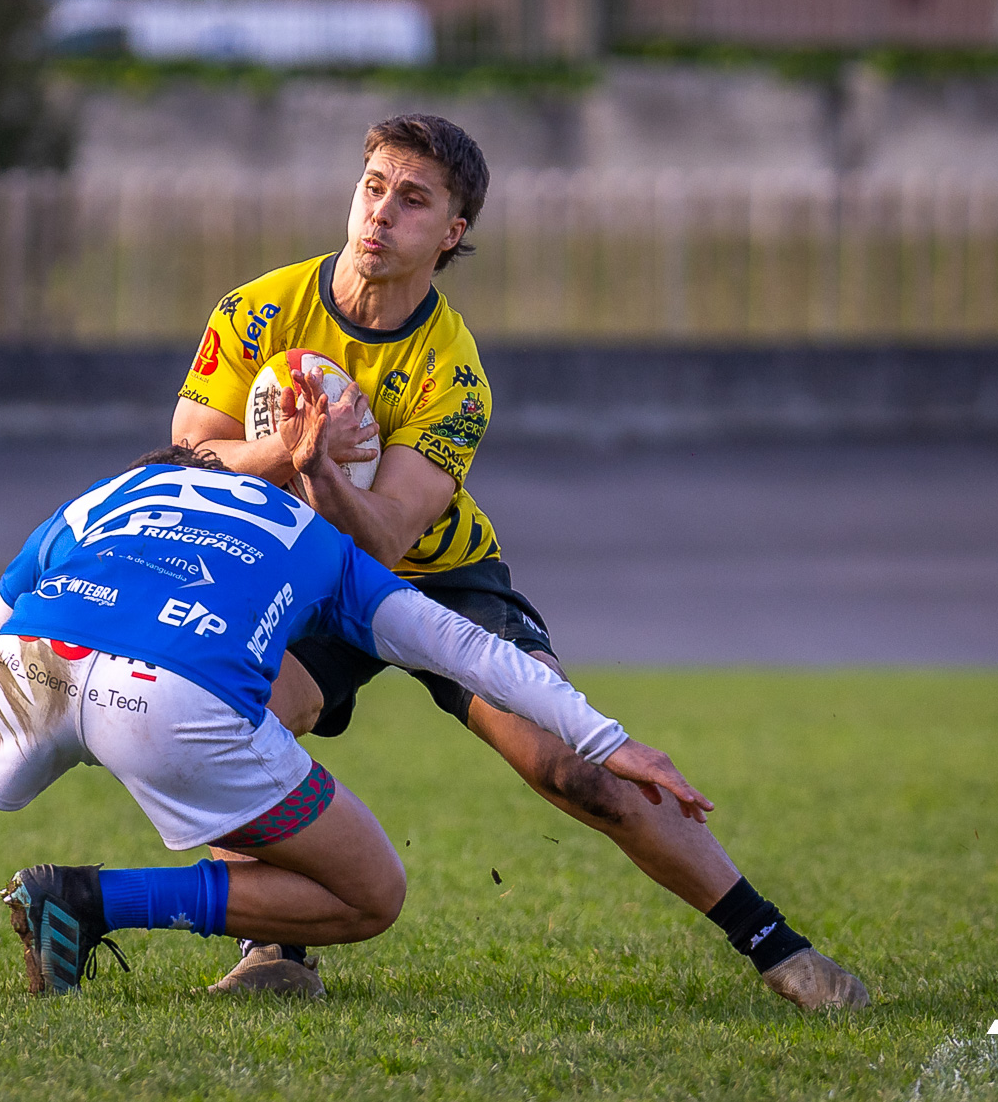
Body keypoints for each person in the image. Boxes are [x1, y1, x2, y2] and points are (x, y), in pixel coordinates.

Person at [0, 375, 712, 999]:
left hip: (32, 664)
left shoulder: (116, 491)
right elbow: (468, 650)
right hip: (170, 699)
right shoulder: (319, 536)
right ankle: (97, 899)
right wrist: (610, 737)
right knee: (369, 896)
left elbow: (5, 608)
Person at [171, 113, 870, 1010]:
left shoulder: (452, 374)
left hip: (437, 577)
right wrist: (286, 457)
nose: (381, 212)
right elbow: (190, 447)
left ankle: (780, 948)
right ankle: (276, 947)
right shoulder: (258, 310)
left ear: (452, 232)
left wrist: (316, 467)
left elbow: (385, 537)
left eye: (413, 199)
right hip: (298, 570)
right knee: (230, 714)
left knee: (572, 768)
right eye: (373, 185)